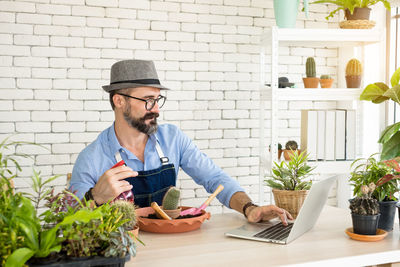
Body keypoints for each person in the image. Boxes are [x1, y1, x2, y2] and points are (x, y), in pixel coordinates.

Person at [69, 59, 292, 224]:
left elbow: (215, 178)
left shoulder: (172, 139)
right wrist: (95, 197)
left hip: (172, 247)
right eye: (148, 100)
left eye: (158, 100)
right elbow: (69, 220)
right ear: (119, 100)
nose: (156, 109)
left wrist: (249, 208)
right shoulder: (91, 158)